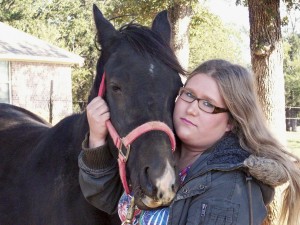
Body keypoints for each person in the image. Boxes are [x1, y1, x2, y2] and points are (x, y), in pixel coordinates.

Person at [78, 59, 300, 225]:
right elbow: (113, 200)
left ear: (230, 122)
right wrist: (97, 138)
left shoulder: (230, 190)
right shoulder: (164, 156)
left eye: (208, 104)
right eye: (189, 95)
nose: (192, 109)